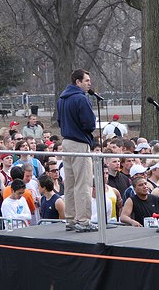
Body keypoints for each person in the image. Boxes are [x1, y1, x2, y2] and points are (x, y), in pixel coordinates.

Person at [57, 69, 96, 232]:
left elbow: (59, 121)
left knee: (71, 184)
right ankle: (83, 220)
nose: (89, 83)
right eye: (86, 80)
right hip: (80, 143)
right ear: (77, 82)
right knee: (83, 183)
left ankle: (70, 219)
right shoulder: (81, 99)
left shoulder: (62, 99)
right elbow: (89, 124)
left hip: (66, 143)